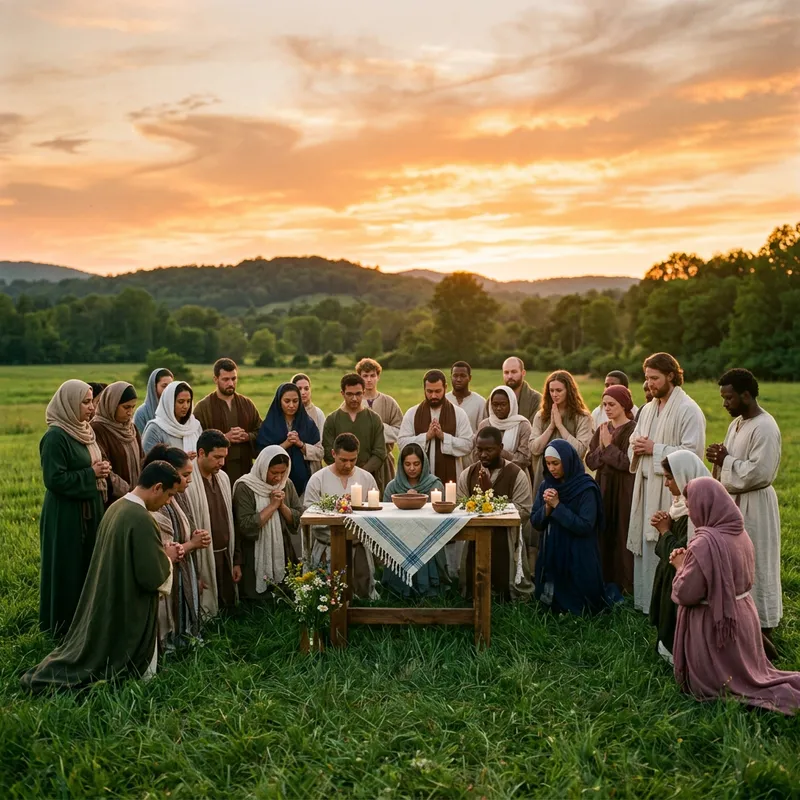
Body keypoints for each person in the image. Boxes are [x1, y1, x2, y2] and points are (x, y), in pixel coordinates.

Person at [21, 461, 183, 691]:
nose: (169, 501)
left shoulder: (117, 507)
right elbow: (150, 576)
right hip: (127, 603)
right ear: (157, 487)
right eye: (169, 495)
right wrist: (167, 557)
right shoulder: (142, 518)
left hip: (111, 592)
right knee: (109, 660)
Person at [670, 477, 800, 715]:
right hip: (744, 619)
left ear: (705, 505)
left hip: (716, 627)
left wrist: (680, 566)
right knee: (753, 672)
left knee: (726, 683)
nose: (690, 512)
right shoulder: (740, 534)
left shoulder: (704, 545)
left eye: (691, 506)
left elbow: (686, 593)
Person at [707, 368, 783, 656]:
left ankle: (763, 628)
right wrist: (719, 456)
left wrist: (726, 460)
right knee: (738, 563)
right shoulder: (738, 423)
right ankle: (742, 624)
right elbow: (731, 460)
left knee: (757, 563)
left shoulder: (765, 427)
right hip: (735, 502)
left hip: (756, 505)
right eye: (723, 398)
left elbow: (759, 472)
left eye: (729, 398)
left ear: (746, 395)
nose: (725, 403)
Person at [626, 352, 706, 615]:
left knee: (666, 543)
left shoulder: (689, 410)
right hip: (645, 485)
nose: (649, 384)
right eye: (647, 378)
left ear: (671, 375)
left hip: (670, 490)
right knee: (646, 547)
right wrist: (636, 447)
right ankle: (646, 603)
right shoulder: (647, 409)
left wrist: (655, 448)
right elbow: (635, 442)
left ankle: (668, 604)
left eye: (655, 378)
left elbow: (691, 453)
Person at [39, 380, 109, 635]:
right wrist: (91, 473)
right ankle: (60, 627)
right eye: (86, 402)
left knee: (87, 566)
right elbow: (54, 480)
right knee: (66, 567)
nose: (91, 408)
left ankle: (85, 623)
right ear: (69, 403)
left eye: (92, 401)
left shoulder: (84, 430)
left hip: (90, 507)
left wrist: (100, 471)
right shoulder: (56, 437)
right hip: (66, 515)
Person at [142, 445, 210, 651]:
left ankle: (186, 637)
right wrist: (192, 544)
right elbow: (163, 547)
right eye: (185, 475)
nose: (189, 480)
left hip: (184, 565)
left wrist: (194, 536)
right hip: (169, 569)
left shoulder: (178, 496)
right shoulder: (158, 502)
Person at [648, 450, 710, 664]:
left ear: (684, 476)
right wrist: (666, 525)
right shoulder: (680, 505)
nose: (666, 484)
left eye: (669, 478)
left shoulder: (696, 511)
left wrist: (665, 531)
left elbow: (683, 556)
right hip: (671, 576)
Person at [531, 439, 606, 616]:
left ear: (567, 460)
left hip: (579, 552)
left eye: (556, 463)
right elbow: (535, 522)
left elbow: (585, 526)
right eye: (548, 464)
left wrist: (558, 506)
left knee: (581, 606)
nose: (552, 468)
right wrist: (547, 508)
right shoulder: (546, 485)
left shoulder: (585, 488)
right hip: (553, 549)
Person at [458, 427, 533, 600]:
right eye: (479, 449)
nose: (483, 455)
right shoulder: (467, 474)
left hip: (506, 539)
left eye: (489, 450)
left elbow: (524, 511)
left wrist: (490, 495)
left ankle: (507, 595)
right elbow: (460, 507)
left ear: (501, 447)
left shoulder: (516, 475)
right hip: (474, 539)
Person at [304, 433, 379, 599]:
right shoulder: (318, 479)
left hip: (357, 544)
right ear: (333, 454)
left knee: (362, 595)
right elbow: (309, 515)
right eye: (343, 460)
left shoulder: (366, 478)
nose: (348, 465)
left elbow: (374, 514)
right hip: (328, 544)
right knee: (327, 594)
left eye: (353, 460)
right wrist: (335, 511)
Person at [181, 429, 240, 616]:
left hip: (224, 553)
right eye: (216, 457)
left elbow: (232, 519)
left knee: (227, 610)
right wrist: (194, 573)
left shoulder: (223, 478)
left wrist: (236, 560)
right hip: (203, 556)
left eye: (224, 457)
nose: (222, 463)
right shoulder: (187, 484)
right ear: (201, 453)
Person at [585, 384, 637, 594]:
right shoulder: (602, 429)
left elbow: (627, 463)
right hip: (603, 486)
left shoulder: (633, 429)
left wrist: (609, 447)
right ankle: (603, 580)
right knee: (603, 531)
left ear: (623, 404)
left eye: (612, 404)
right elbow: (590, 460)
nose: (606, 408)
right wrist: (603, 447)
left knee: (621, 531)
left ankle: (625, 584)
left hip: (623, 488)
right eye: (604, 404)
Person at [233, 445, 302, 602]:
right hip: (254, 549)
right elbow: (245, 525)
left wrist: (282, 505)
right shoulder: (245, 487)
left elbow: (298, 517)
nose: (278, 478)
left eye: (282, 472)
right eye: (273, 473)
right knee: (256, 598)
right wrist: (271, 507)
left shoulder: (287, 484)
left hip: (282, 546)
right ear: (263, 468)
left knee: (285, 591)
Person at [381, 443, 446, 598]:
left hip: (428, 537)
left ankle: (429, 591)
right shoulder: (393, 487)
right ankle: (398, 593)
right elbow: (385, 516)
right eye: (407, 464)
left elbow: (440, 517)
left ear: (423, 465)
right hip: (399, 538)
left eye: (416, 464)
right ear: (401, 464)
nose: (412, 468)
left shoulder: (434, 485)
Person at [194, 358, 263, 483]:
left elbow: (261, 431)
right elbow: (196, 440)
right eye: (225, 379)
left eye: (233, 378)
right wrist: (224, 438)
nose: (230, 383)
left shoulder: (247, 404)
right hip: (215, 473)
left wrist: (247, 436)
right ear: (215, 379)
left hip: (245, 470)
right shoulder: (203, 408)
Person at [530, 370, 593, 499]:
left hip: (572, 480)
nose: (554, 394)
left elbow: (580, 451)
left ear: (569, 391)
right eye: (551, 390)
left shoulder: (582, 417)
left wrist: (560, 426)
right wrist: (551, 427)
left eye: (559, 390)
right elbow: (534, 448)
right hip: (544, 476)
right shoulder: (541, 416)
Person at [256, 383, 321, 499]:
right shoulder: (269, 425)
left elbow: (320, 452)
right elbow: (261, 455)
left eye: (295, 401)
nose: (291, 405)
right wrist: (285, 444)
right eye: (287, 401)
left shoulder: (308, 424)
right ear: (279, 401)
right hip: (274, 484)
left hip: (305, 482)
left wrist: (300, 444)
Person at [322, 373, 386, 488]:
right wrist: (345, 469)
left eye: (358, 394)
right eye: (350, 394)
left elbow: (380, 452)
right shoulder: (332, 420)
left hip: (368, 479)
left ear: (364, 392)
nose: (354, 398)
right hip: (337, 480)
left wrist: (360, 473)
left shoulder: (374, 419)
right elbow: (328, 452)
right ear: (342, 393)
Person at [91, 381, 144, 508]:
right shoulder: (97, 429)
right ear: (112, 404)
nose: (130, 412)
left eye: (133, 407)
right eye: (126, 407)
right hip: (113, 501)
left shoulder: (132, 429)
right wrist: (128, 492)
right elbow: (104, 468)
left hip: (136, 498)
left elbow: (142, 458)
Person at [356, 358, 403, 495]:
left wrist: (378, 428)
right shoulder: (353, 402)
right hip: (360, 462)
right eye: (365, 376)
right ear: (359, 377)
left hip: (384, 461)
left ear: (378, 377)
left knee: (385, 497)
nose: (369, 380)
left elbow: (400, 431)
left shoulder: (389, 402)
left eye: (372, 375)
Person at [475, 386, 532, 473]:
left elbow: (524, 459)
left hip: (515, 474)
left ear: (511, 404)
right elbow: (476, 453)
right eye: (495, 404)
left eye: (503, 404)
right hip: (486, 473)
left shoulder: (523, 425)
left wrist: (499, 453)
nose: (498, 408)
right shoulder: (485, 424)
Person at [141, 381, 203, 457]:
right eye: (181, 402)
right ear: (169, 403)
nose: (186, 406)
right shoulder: (156, 428)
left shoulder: (195, 426)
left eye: (188, 401)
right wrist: (182, 461)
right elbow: (149, 462)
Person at [486, 357, 542, 424]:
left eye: (514, 372)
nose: (510, 376)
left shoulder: (536, 399)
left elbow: (535, 428)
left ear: (523, 373)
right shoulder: (493, 399)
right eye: (506, 372)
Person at [291, 372, 326, 474]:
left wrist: (303, 446)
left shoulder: (318, 413)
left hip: (312, 467)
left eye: (306, 388)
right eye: (299, 389)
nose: (303, 392)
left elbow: (321, 447)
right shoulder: (286, 413)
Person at [446, 361, 486, 433]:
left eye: (463, 376)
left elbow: (484, 431)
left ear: (470, 378)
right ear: (451, 377)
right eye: (455, 376)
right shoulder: (444, 400)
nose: (458, 379)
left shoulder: (481, 402)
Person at [133, 368, 174, 435]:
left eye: (171, 386)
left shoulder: (176, 409)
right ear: (154, 386)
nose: (168, 389)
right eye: (164, 386)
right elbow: (139, 440)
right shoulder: (142, 413)